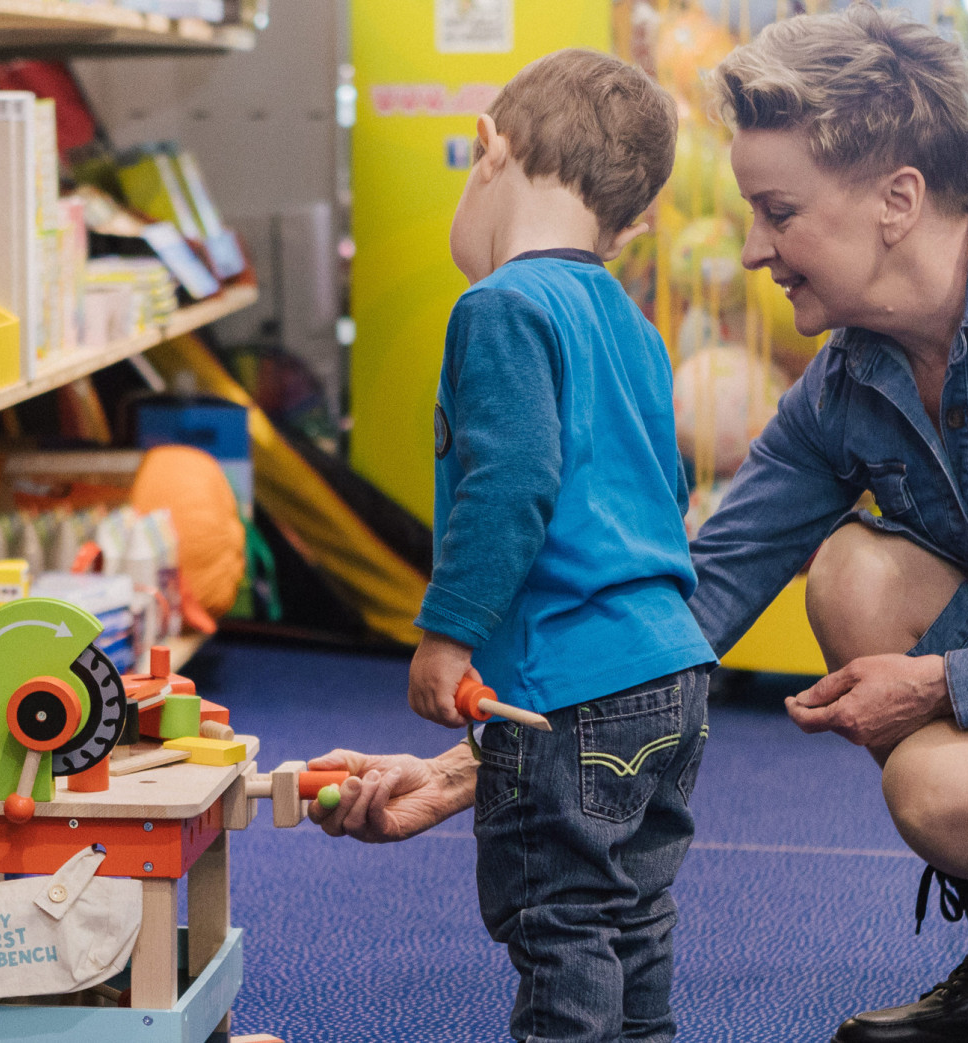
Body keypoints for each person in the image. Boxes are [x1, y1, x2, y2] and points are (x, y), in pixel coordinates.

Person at [312, 6, 968, 1043]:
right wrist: (492, 761)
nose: (757, 249)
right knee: (852, 575)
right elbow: (701, 594)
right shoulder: (851, 377)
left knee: (935, 786)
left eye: (778, 211)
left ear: (896, 199)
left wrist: (947, 684)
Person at [381, 47, 716, 1043]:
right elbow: (666, 485)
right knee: (632, 915)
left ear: (492, 148)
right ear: (636, 216)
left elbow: (512, 482)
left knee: (558, 918)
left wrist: (447, 633)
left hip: (566, 687)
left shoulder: (499, 307)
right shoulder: (632, 321)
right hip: (673, 667)